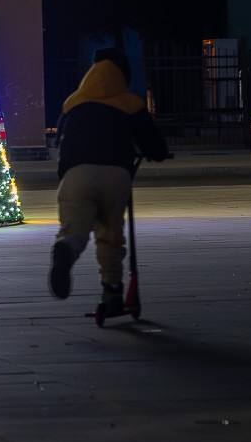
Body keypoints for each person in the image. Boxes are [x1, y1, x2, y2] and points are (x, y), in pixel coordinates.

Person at [49, 45, 169, 315]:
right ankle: (112, 291)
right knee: (110, 235)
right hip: (115, 173)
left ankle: (65, 250)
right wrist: (157, 153)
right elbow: (155, 147)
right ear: (122, 74)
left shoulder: (73, 102)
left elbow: (58, 142)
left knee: (74, 231)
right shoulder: (130, 103)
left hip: (75, 174)